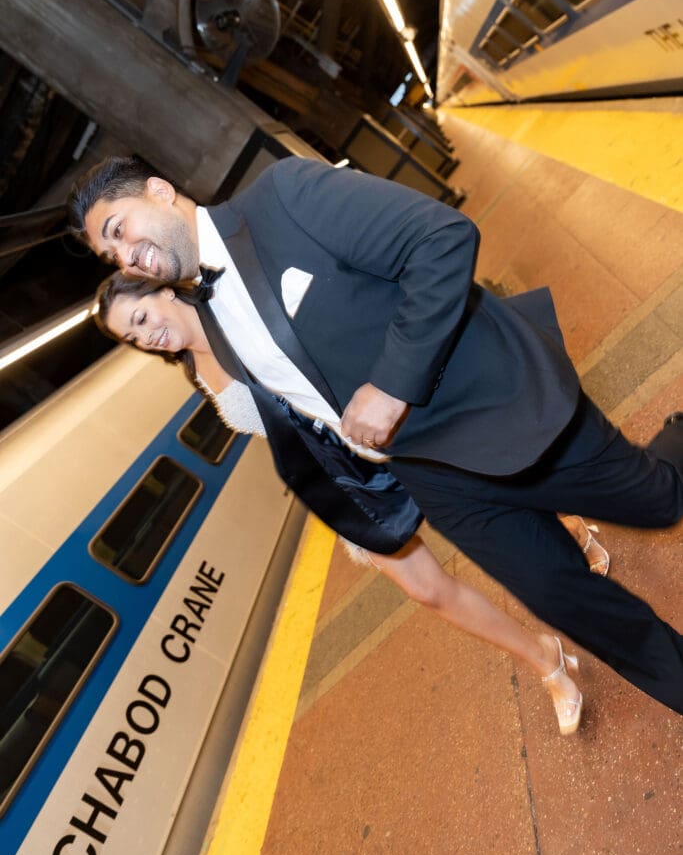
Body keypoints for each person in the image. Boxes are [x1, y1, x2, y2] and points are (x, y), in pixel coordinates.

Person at [69, 155, 683, 713]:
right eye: (110, 255)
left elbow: (441, 239)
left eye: (120, 229)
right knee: (572, 604)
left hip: (492, 409)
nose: (125, 256)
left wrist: (392, 385)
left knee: (658, 502)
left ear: (158, 190)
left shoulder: (283, 196)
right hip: (432, 479)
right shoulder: (212, 319)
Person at [95, 272, 614, 734]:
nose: (146, 336)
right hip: (344, 480)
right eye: (133, 337)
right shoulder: (192, 368)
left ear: (162, 288)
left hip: (382, 432)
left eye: (141, 317)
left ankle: (573, 527)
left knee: (501, 489)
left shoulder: (233, 304)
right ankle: (545, 660)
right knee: (425, 590)